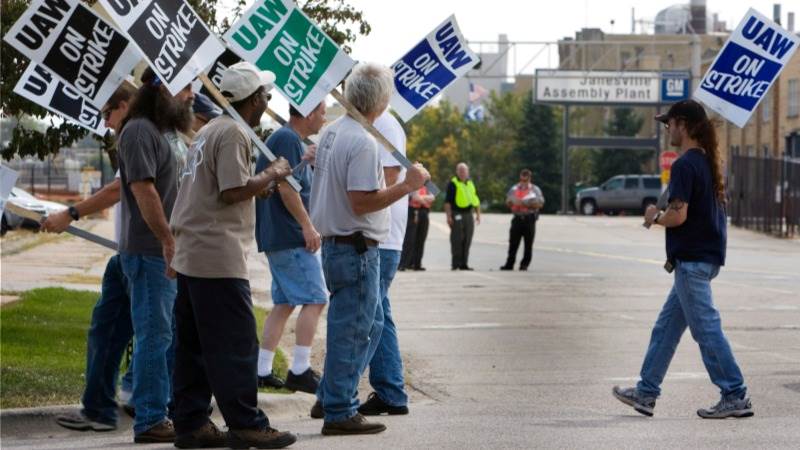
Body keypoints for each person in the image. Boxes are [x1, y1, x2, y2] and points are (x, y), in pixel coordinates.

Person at [169, 61, 296, 449]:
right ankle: (246, 424)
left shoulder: (208, 131)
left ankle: (191, 424)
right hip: (216, 254)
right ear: (254, 99)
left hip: (192, 251)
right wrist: (272, 172)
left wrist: (256, 186)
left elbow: (220, 189)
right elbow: (231, 191)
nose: (268, 100)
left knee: (193, 347)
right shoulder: (234, 133)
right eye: (266, 95)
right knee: (237, 344)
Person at [309, 62, 429, 435]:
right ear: (380, 100)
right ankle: (340, 409)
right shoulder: (361, 140)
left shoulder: (333, 131)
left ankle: (335, 398)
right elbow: (362, 201)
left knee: (365, 323)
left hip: (341, 244)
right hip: (354, 246)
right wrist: (408, 185)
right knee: (356, 327)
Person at [612, 99, 752, 419]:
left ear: (684, 125)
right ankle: (646, 392)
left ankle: (734, 393)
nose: (667, 130)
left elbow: (679, 216)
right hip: (702, 258)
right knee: (666, 329)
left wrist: (655, 217)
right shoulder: (706, 162)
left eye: (669, 123)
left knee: (706, 330)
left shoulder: (685, 165)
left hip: (691, 262)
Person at [48, 83, 138, 432]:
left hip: (145, 254)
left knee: (149, 334)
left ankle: (152, 411)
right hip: (127, 252)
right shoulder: (134, 134)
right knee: (106, 330)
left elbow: (119, 189)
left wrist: (70, 213)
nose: (107, 123)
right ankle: (100, 408)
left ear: (126, 104)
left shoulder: (139, 134)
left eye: (109, 113)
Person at [116, 67, 193, 443]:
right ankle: (149, 418)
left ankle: (163, 409)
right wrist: (167, 239)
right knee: (154, 335)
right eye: (186, 89)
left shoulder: (162, 133)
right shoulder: (138, 132)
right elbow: (143, 192)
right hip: (150, 253)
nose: (192, 96)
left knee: (167, 334)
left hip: (166, 252)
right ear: (163, 91)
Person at [255, 102, 327, 394]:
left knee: (284, 304)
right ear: (309, 113)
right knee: (317, 298)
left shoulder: (288, 139)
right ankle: (300, 369)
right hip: (290, 235)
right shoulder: (286, 138)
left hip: (277, 236)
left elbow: (289, 178)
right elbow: (286, 187)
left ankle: (261, 369)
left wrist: (305, 162)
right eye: (322, 112)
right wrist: (308, 226)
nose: (324, 117)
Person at [358, 109, 411, 416]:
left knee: (368, 316)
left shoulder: (385, 125)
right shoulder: (373, 125)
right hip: (380, 235)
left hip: (382, 236)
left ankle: (338, 391)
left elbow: (387, 182)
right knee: (379, 313)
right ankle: (391, 391)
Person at [500, 169, 544, 271]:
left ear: (529, 178)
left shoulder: (535, 190)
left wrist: (526, 204)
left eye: (526, 179)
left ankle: (524, 264)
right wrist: (512, 202)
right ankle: (509, 264)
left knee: (528, 243)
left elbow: (540, 204)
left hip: (529, 218)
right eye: (522, 179)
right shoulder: (514, 188)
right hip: (517, 218)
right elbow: (507, 201)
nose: (523, 181)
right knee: (513, 243)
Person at [444, 162, 480, 270]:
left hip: (469, 214)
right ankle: (455, 264)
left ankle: (464, 264)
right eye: (461, 171)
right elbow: (447, 202)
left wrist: (478, 214)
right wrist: (449, 216)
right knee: (457, 239)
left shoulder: (470, 183)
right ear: (457, 172)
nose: (463, 173)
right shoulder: (453, 183)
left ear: (468, 172)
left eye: (465, 171)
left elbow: (475, 199)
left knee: (467, 239)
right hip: (457, 213)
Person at [399, 186, 434, 271]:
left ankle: (417, 264)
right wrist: (426, 199)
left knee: (421, 238)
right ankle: (404, 264)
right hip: (413, 211)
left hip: (424, 212)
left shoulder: (428, 182)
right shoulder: (414, 179)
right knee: (410, 238)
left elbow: (433, 197)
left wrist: (422, 199)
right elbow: (415, 197)